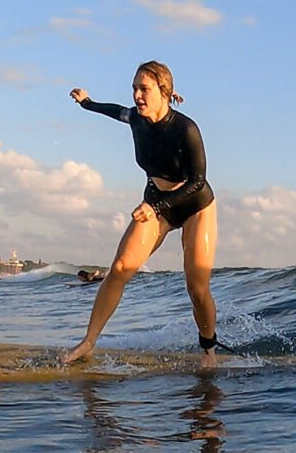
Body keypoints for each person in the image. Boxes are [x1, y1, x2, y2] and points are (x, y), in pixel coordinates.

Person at [61, 60, 221, 368]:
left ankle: (208, 351)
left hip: (194, 204)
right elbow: (116, 111)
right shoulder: (136, 118)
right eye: (134, 88)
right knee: (120, 268)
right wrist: (88, 103)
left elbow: (198, 182)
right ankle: (88, 342)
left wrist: (156, 207)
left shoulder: (186, 129)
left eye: (144, 89)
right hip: (156, 201)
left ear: (164, 92)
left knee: (197, 288)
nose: (137, 95)